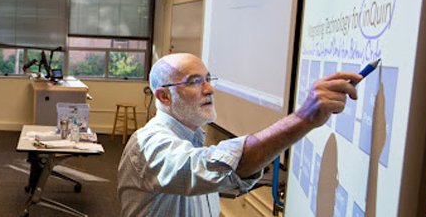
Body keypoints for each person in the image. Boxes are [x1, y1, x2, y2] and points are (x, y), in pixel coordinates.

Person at [117, 53, 361, 217]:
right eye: (194, 82)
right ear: (164, 97)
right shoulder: (149, 143)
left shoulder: (191, 138)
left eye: (208, 79)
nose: (209, 89)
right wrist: (303, 119)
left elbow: (220, 180)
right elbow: (212, 167)